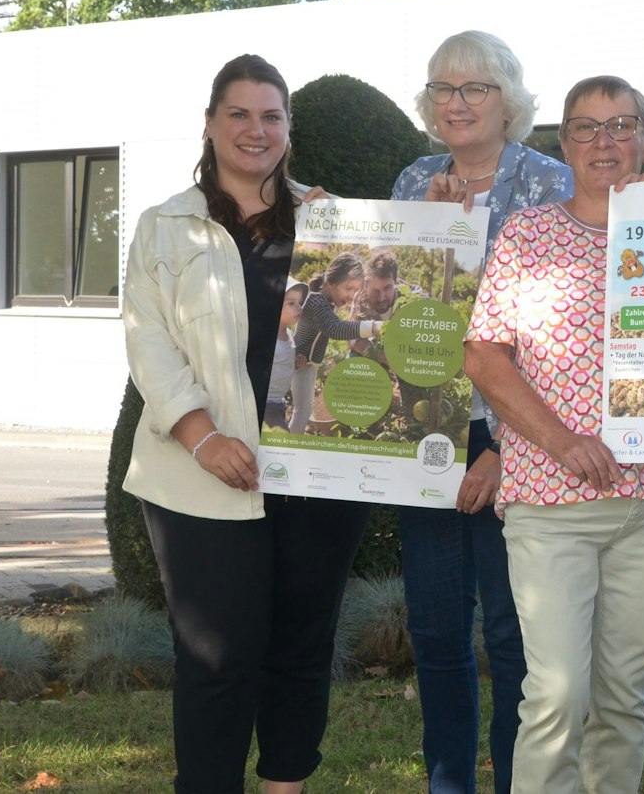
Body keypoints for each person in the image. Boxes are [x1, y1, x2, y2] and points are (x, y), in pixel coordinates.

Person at [121, 53, 375, 794]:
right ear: (210, 123)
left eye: (271, 116)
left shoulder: (332, 223)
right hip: (199, 473)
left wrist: (381, 228)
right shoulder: (165, 227)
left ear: (289, 129)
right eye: (238, 113)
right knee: (214, 657)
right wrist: (202, 436)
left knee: (301, 646)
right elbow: (149, 345)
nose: (254, 129)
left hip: (315, 471)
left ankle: (285, 786)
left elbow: (385, 307)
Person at [463, 74, 644, 794]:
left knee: (623, 698)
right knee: (557, 694)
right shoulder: (528, 234)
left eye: (622, 125)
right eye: (587, 128)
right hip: (550, 499)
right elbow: (484, 355)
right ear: (564, 144)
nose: (605, 142)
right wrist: (563, 441)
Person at [390, 29, 573, 794]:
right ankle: (449, 783)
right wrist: (429, 236)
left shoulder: (552, 183)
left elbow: (560, 329)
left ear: (508, 101)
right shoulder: (413, 181)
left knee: (510, 632)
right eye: (444, 88)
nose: (456, 102)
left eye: (475, 88)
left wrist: (502, 444)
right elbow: (396, 316)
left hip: (519, 432)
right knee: (436, 629)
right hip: (428, 430)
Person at [290, 253, 373, 431]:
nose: (351, 296)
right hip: (298, 362)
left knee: (304, 410)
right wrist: (373, 327)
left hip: (305, 362)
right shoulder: (316, 303)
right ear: (332, 281)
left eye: (355, 291)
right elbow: (336, 328)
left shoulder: (325, 301)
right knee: (301, 411)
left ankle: (291, 438)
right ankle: (288, 441)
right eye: (349, 288)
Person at [263, 281, 307, 430]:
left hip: (278, 402)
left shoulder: (287, 333)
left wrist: (293, 364)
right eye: (291, 303)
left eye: (300, 302)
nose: (299, 307)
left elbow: (279, 364)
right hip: (267, 405)